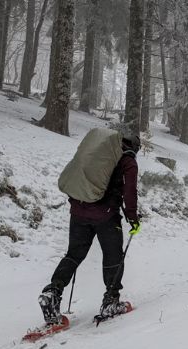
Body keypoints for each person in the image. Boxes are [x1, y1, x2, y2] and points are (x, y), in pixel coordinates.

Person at [38, 135, 142, 325]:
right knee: (113, 256)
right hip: (106, 216)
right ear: (135, 147)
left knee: (73, 254)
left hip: (78, 212)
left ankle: (52, 292)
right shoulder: (128, 160)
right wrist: (133, 218)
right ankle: (111, 300)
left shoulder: (99, 153)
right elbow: (129, 192)